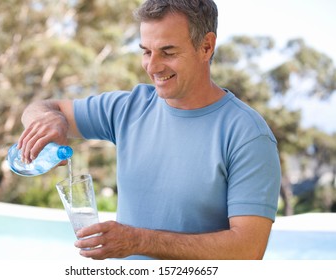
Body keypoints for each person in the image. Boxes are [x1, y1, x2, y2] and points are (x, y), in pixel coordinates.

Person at [17, 0, 281, 260]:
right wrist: (53, 122)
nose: (153, 66)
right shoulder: (128, 108)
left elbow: (248, 250)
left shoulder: (248, 135)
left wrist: (139, 241)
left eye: (168, 52)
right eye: (146, 51)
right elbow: (40, 107)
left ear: (206, 46)